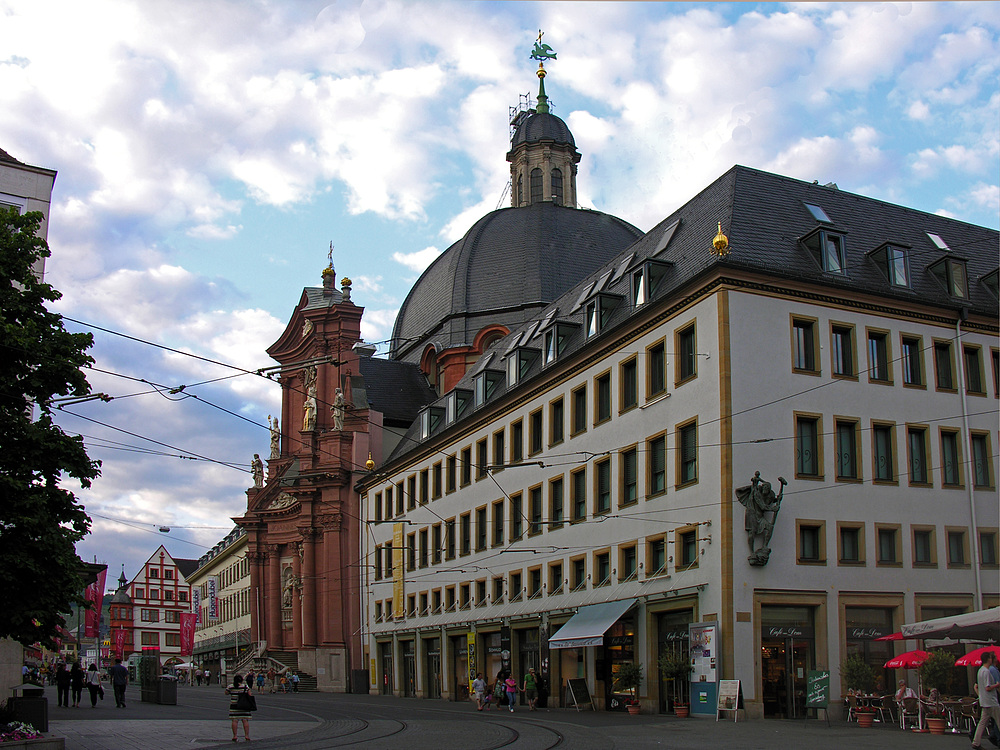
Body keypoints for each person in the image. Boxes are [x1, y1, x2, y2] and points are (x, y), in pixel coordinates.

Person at [973, 650, 1000, 750]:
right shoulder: (987, 672)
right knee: (998, 720)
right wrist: (996, 685)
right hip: (991, 701)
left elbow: (979, 686)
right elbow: (988, 687)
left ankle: (976, 742)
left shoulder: (980, 671)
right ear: (989, 659)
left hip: (984, 701)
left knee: (982, 722)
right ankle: (976, 742)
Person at [225, 674, 252, 743]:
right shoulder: (245, 686)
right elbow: (250, 694)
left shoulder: (231, 686)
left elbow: (226, 693)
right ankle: (246, 735)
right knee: (245, 720)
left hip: (234, 705)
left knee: (235, 720)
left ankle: (235, 735)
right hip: (244, 706)